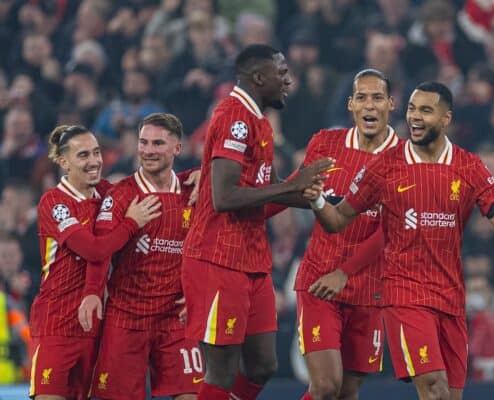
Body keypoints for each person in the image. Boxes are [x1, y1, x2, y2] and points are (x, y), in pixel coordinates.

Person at [304, 81, 494, 400]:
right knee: (435, 390)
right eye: (412, 109)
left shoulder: (468, 166)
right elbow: (338, 219)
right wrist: (316, 200)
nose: (415, 117)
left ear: (446, 118)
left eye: (426, 110)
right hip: (405, 295)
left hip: (450, 298)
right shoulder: (385, 166)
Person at [181, 44, 333, 400]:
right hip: (217, 258)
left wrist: (323, 196)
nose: (288, 81)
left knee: (264, 364)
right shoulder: (234, 116)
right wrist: (291, 185)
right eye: (281, 74)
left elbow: (270, 198)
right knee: (221, 370)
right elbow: (224, 196)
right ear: (259, 77)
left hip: (252, 260)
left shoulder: (261, 124)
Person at [29, 125, 160, 400]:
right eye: (83, 155)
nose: (94, 161)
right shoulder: (54, 202)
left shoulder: (106, 194)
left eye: (97, 153)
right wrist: (131, 223)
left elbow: (151, 186)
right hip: (56, 323)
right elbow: (94, 250)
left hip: (93, 326)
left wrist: (189, 177)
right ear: (64, 162)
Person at [289, 68, 397, 400]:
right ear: (350, 105)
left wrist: (346, 273)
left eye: (377, 97)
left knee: (347, 393)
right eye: (361, 97)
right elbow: (293, 190)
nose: (369, 105)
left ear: (391, 104)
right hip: (320, 283)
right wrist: (240, 205)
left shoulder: (405, 161)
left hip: (370, 292)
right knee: (324, 387)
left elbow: (389, 233)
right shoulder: (326, 144)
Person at [78, 113, 201, 400]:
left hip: (175, 318)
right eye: (143, 143)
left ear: (177, 149)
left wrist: (201, 292)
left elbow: (208, 249)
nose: (148, 150)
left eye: (158, 143)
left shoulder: (193, 193)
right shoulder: (121, 196)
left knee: (192, 395)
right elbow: (101, 250)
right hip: (126, 317)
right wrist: (93, 292)